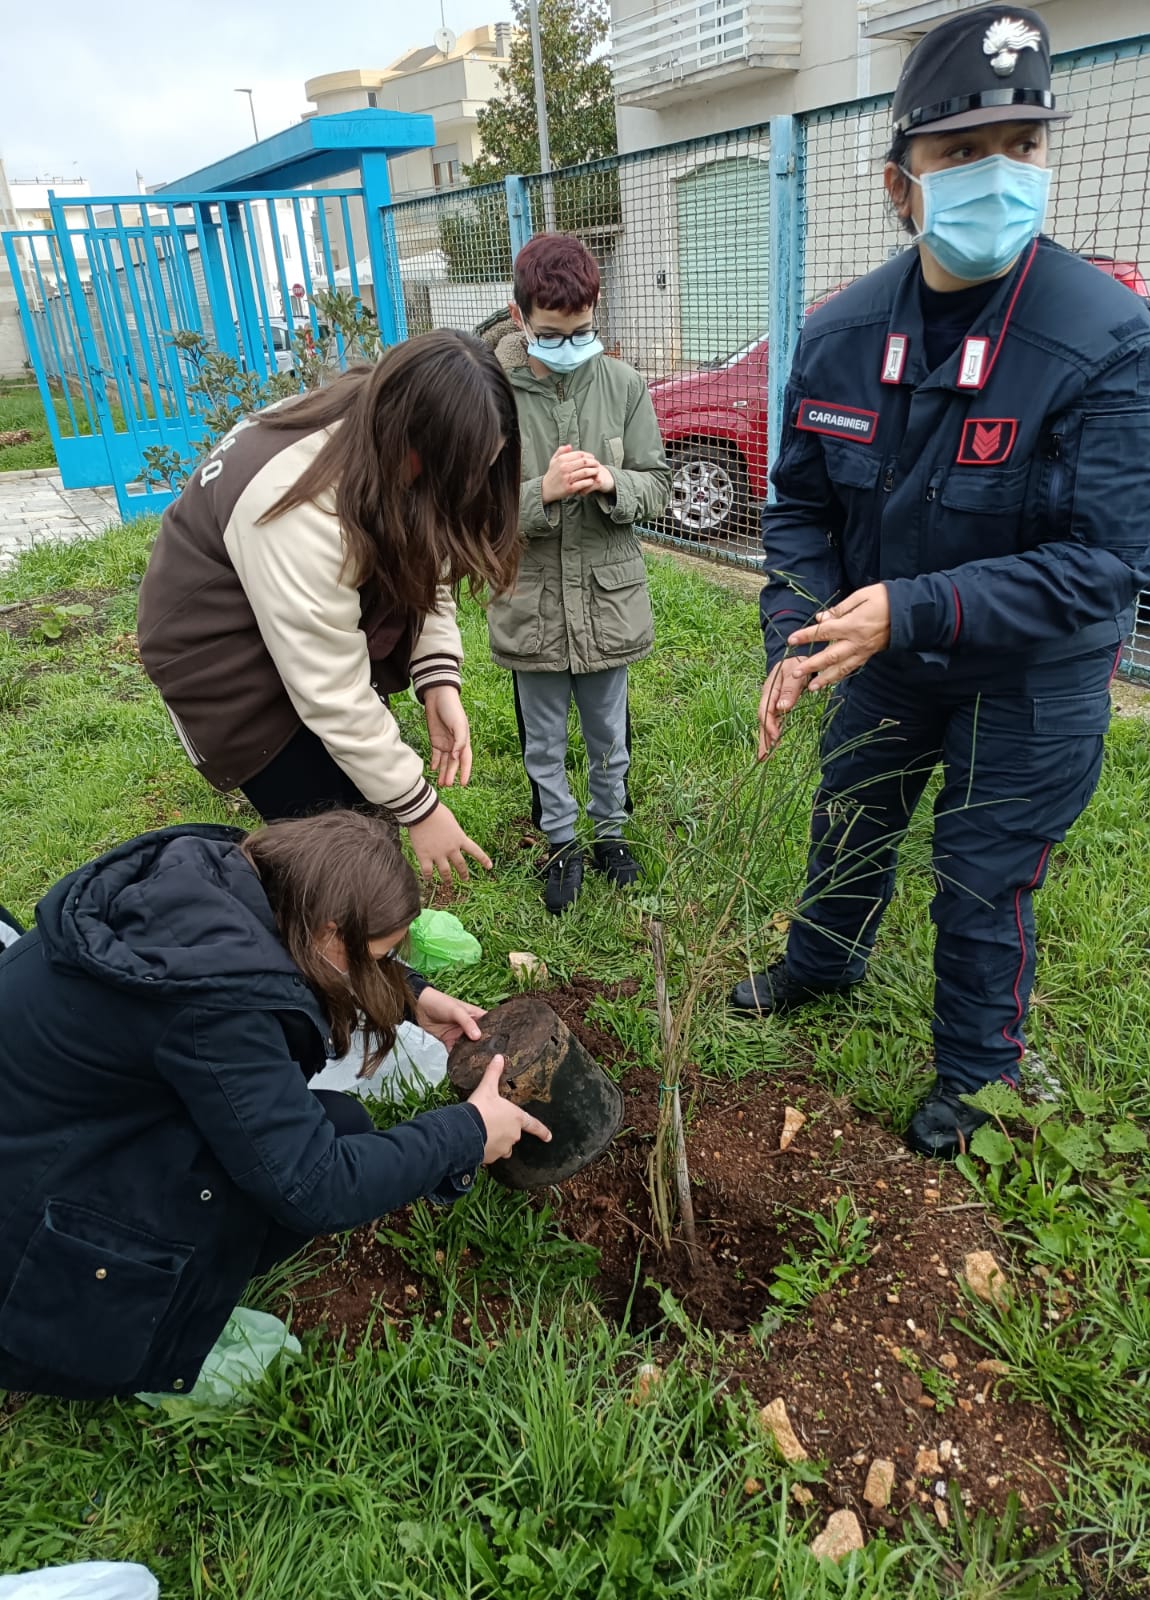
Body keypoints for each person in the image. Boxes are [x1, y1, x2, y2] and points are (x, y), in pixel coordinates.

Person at [732, 5, 1150, 1157]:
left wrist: (912, 607)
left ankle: (976, 1079)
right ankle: (819, 965)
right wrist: (801, 629)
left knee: (982, 874)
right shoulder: (837, 337)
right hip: (884, 652)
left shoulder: (1111, 340)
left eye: (1023, 148)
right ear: (900, 183)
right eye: (963, 154)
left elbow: (1104, 565)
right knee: (851, 814)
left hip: (1029, 670)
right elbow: (800, 511)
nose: (1000, 175)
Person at [0, 809, 550, 1400]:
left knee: (338, 1123)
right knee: (306, 1163)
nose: (386, 966)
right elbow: (314, 1186)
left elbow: (299, 972)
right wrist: (467, 1132)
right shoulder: (216, 1010)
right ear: (330, 932)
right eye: (381, 954)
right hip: (26, 1244)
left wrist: (410, 994)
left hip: (58, 1138)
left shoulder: (226, 882)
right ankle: (147, 1337)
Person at [137, 330, 522, 885]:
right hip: (216, 644)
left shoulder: (390, 416)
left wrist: (437, 677)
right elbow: (332, 693)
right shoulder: (294, 502)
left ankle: (363, 935)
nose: (476, 484)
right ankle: (314, 944)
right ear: (414, 447)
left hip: (288, 606)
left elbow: (430, 544)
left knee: (363, 814)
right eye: (461, 472)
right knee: (328, 836)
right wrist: (421, 810)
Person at [485, 234, 671, 914]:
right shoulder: (491, 394)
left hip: (607, 600)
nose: (569, 345)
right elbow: (475, 509)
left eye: (583, 331)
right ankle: (560, 842)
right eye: (552, 334)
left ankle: (611, 834)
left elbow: (659, 486)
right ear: (517, 316)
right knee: (542, 738)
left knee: (607, 731)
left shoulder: (623, 386)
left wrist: (614, 481)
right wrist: (543, 492)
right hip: (531, 600)